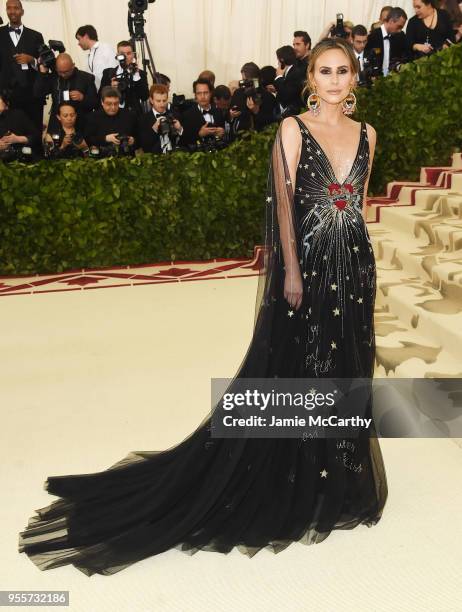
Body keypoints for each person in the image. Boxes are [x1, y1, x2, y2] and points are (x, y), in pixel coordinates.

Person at [18, 37, 388, 577]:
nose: (334, 80)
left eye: (343, 71)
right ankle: (294, 471)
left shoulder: (368, 134)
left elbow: (356, 201)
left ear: (354, 78)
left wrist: (352, 252)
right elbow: (283, 204)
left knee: (347, 364)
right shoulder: (292, 129)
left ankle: (337, 469)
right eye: (325, 72)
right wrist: (291, 268)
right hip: (306, 263)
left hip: (354, 263)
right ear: (311, 79)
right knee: (295, 365)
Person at [0, 0, 44, 133]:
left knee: (33, 131)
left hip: (31, 95)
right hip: (6, 95)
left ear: (22, 11)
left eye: (16, 8)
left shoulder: (36, 36)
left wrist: (32, 60)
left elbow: (45, 64)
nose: (12, 11)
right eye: (9, 8)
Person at [34, 53, 98, 134]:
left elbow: (95, 103)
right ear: (56, 69)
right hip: (57, 124)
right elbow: (38, 93)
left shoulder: (86, 78)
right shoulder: (54, 77)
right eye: (60, 72)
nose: (63, 75)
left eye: (67, 72)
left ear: (73, 66)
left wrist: (82, 98)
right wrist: (42, 73)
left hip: (80, 125)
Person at [99, 40, 149, 116]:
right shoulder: (108, 73)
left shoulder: (140, 74)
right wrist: (110, 88)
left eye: (128, 53)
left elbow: (144, 96)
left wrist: (136, 76)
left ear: (133, 55)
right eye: (122, 54)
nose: (125, 57)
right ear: (117, 56)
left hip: (133, 115)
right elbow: (100, 95)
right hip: (112, 113)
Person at [84, 86, 137, 151]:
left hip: (126, 157)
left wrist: (133, 140)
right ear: (102, 102)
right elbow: (87, 139)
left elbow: (139, 137)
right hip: (101, 157)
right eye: (109, 104)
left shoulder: (129, 115)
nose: (113, 107)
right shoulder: (92, 117)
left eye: (116, 103)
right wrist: (105, 138)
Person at [137, 84, 183, 154]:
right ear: (151, 100)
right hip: (154, 160)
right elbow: (145, 147)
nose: (162, 105)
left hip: (174, 158)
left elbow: (185, 142)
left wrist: (180, 129)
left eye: (164, 101)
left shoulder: (175, 115)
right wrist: (154, 130)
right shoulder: (143, 120)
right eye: (158, 101)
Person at [180, 78, 225, 147]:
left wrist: (222, 133)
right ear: (195, 95)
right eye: (199, 93)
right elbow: (184, 141)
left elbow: (222, 135)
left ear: (211, 93)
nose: (202, 96)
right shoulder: (187, 115)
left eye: (206, 93)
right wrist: (200, 134)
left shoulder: (218, 111)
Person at [365, 7, 409, 76]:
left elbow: (404, 57)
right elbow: (367, 59)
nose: (400, 30)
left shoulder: (400, 37)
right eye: (399, 26)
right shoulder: (373, 36)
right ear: (391, 21)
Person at [75, 25, 117, 90]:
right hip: (96, 94)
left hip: (108, 92)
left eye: (79, 39)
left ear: (86, 36)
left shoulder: (105, 48)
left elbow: (114, 69)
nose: (78, 43)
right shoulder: (89, 55)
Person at [0, 88, 39, 153]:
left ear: (6, 103)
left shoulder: (18, 115)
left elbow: (36, 136)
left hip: (18, 157)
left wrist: (18, 139)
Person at [273, 45, 305, 117]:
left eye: (278, 60)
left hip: (293, 114)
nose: (277, 63)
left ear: (282, 60)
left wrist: (278, 77)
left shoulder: (296, 72)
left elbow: (286, 94)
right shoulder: (290, 71)